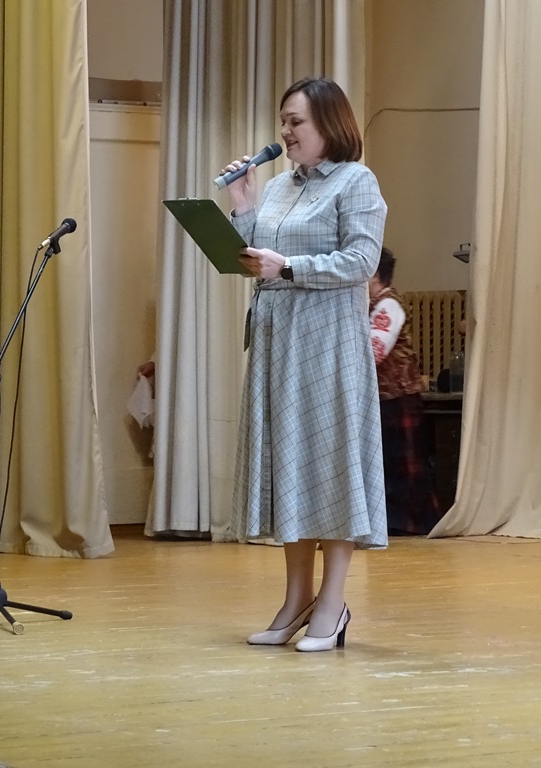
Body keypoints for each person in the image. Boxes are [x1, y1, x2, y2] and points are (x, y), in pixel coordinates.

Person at [222, 77, 388, 652]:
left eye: (296, 122)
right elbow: (253, 259)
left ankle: (332, 603)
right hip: (277, 342)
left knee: (330, 466)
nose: (286, 132)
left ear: (328, 124)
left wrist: (289, 267)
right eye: (283, 122)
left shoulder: (356, 181)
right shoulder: (276, 187)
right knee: (290, 466)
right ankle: (296, 600)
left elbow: (361, 260)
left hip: (328, 346)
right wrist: (243, 206)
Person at [369, 248, 442, 535]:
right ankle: (394, 521)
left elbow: (375, 350)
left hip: (397, 398)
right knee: (390, 462)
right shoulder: (374, 306)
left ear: (374, 274)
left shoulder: (389, 305)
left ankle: (407, 523)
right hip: (385, 398)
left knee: (401, 462)